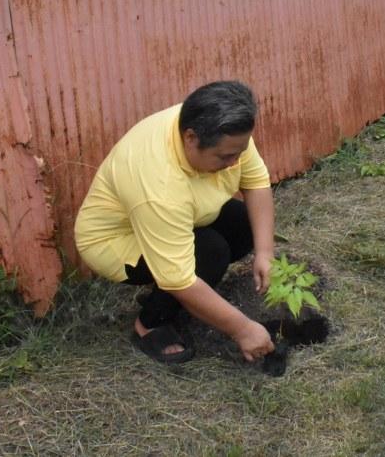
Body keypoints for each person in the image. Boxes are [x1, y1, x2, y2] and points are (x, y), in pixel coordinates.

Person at [75, 80, 276, 365]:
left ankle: (172, 296)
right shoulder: (158, 185)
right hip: (116, 240)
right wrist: (242, 329)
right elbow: (178, 278)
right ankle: (151, 323)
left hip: (178, 216)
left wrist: (265, 252)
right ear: (191, 138)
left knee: (244, 227)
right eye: (225, 156)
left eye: (239, 153)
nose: (234, 162)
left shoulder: (224, 127)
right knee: (209, 253)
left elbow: (256, 183)